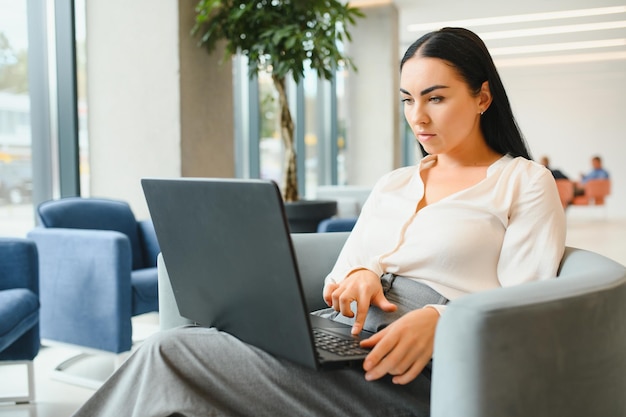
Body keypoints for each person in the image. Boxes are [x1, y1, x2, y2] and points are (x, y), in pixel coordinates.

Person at [72, 27, 566, 417]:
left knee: (169, 355)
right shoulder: (394, 184)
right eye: (407, 99)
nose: (419, 117)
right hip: (340, 336)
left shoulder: (524, 182)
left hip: (417, 367)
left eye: (435, 98)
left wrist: (443, 321)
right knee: (186, 351)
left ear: (482, 97)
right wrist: (362, 275)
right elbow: (341, 274)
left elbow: (529, 305)